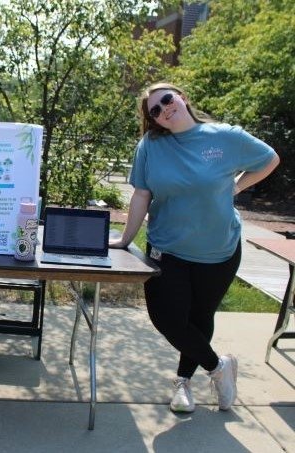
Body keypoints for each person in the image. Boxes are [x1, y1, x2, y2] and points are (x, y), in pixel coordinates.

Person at [110, 82, 280, 414]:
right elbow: (142, 195)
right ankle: (219, 368)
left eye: (167, 100)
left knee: (200, 317)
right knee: (166, 318)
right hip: (167, 248)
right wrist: (125, 239)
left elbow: (269, 158)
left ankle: (183, 383)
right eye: (155, 111)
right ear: (154, 121)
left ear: (183, 98)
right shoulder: (151, 146)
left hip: (219, 250)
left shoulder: (224, 137)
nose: (164, 110)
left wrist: (235, 186)